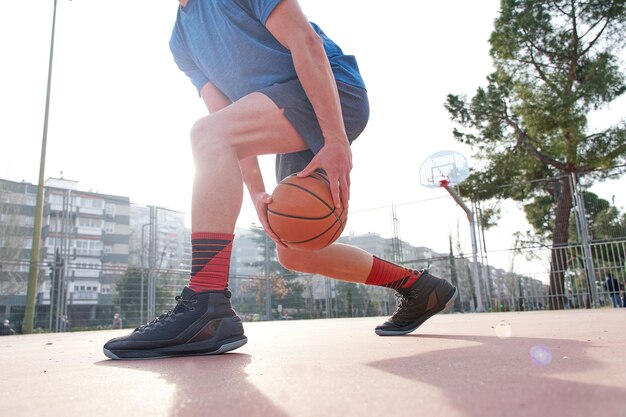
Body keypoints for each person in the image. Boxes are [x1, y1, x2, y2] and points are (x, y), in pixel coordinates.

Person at [103, 0, 457, 360]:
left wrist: (336, 141)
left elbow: (306, 42)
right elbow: (226, 119)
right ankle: (419, 288)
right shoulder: (181, 40)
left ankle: (206, 303)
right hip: (285, 108)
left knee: (205, 135)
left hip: (333, 91)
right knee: (294, 251)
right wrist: (258, 194)